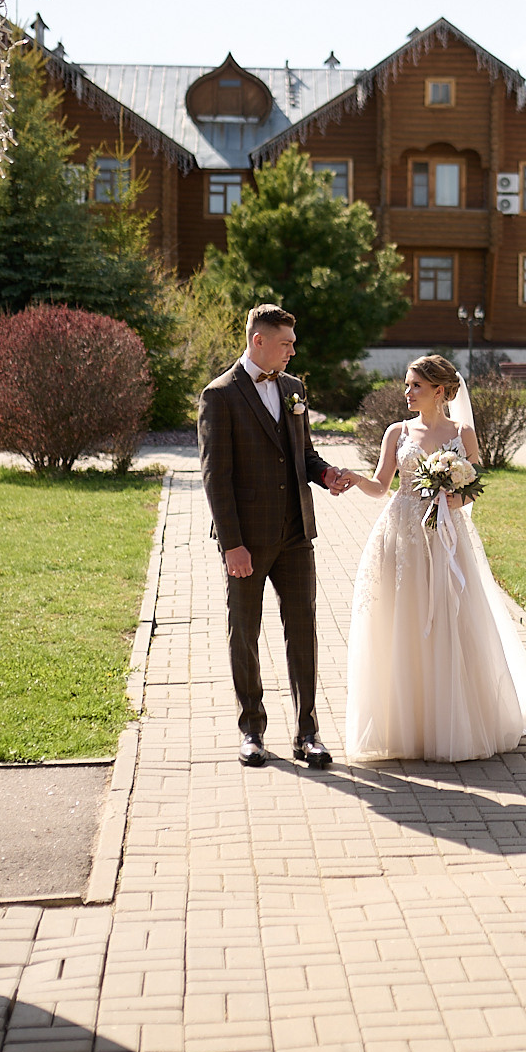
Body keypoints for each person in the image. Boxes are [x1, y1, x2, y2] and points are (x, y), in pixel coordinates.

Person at [339, 354, 526, 762]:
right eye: (407, 385)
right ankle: (405, 724)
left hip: (444, 537)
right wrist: (355, 479)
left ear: (440, 391)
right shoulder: (397, 431)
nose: (407, 393)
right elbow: (380, 486)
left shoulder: (461, 433)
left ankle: (452, 721)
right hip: (400, 535)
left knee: (449, 615)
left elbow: (473, 488)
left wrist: (451, 498)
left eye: (416, 386)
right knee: (402, 619)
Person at [198, 304, 355, 769]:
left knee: (302, 632)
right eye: (285, 342)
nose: (292, 350)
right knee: (244, 634)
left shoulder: (293, 389)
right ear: (258, 341)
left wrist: (325, 474)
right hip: (246, 540)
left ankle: (308, 734)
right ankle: (251, 730)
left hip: (294, 535)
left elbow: (302, 452)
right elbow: (215, 477)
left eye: (293, 342)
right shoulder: (219, 395)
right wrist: (232, 544)